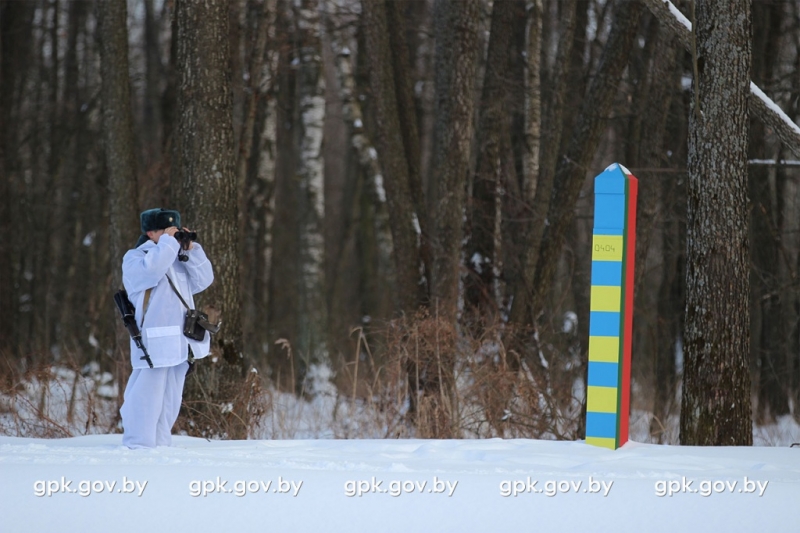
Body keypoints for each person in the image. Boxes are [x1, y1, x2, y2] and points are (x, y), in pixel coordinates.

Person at [120, 208, 214, 448]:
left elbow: (204, 280)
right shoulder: (136, 257)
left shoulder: (175, 256)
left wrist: (191, 249)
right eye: (165, 231)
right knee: (145, 396)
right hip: (153, 341)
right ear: (151, 233)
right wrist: (169, 245)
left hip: (180, 341)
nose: (171, 236)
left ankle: (161, 445)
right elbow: (152, 271)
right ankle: (137, 445)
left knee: (170, 399)